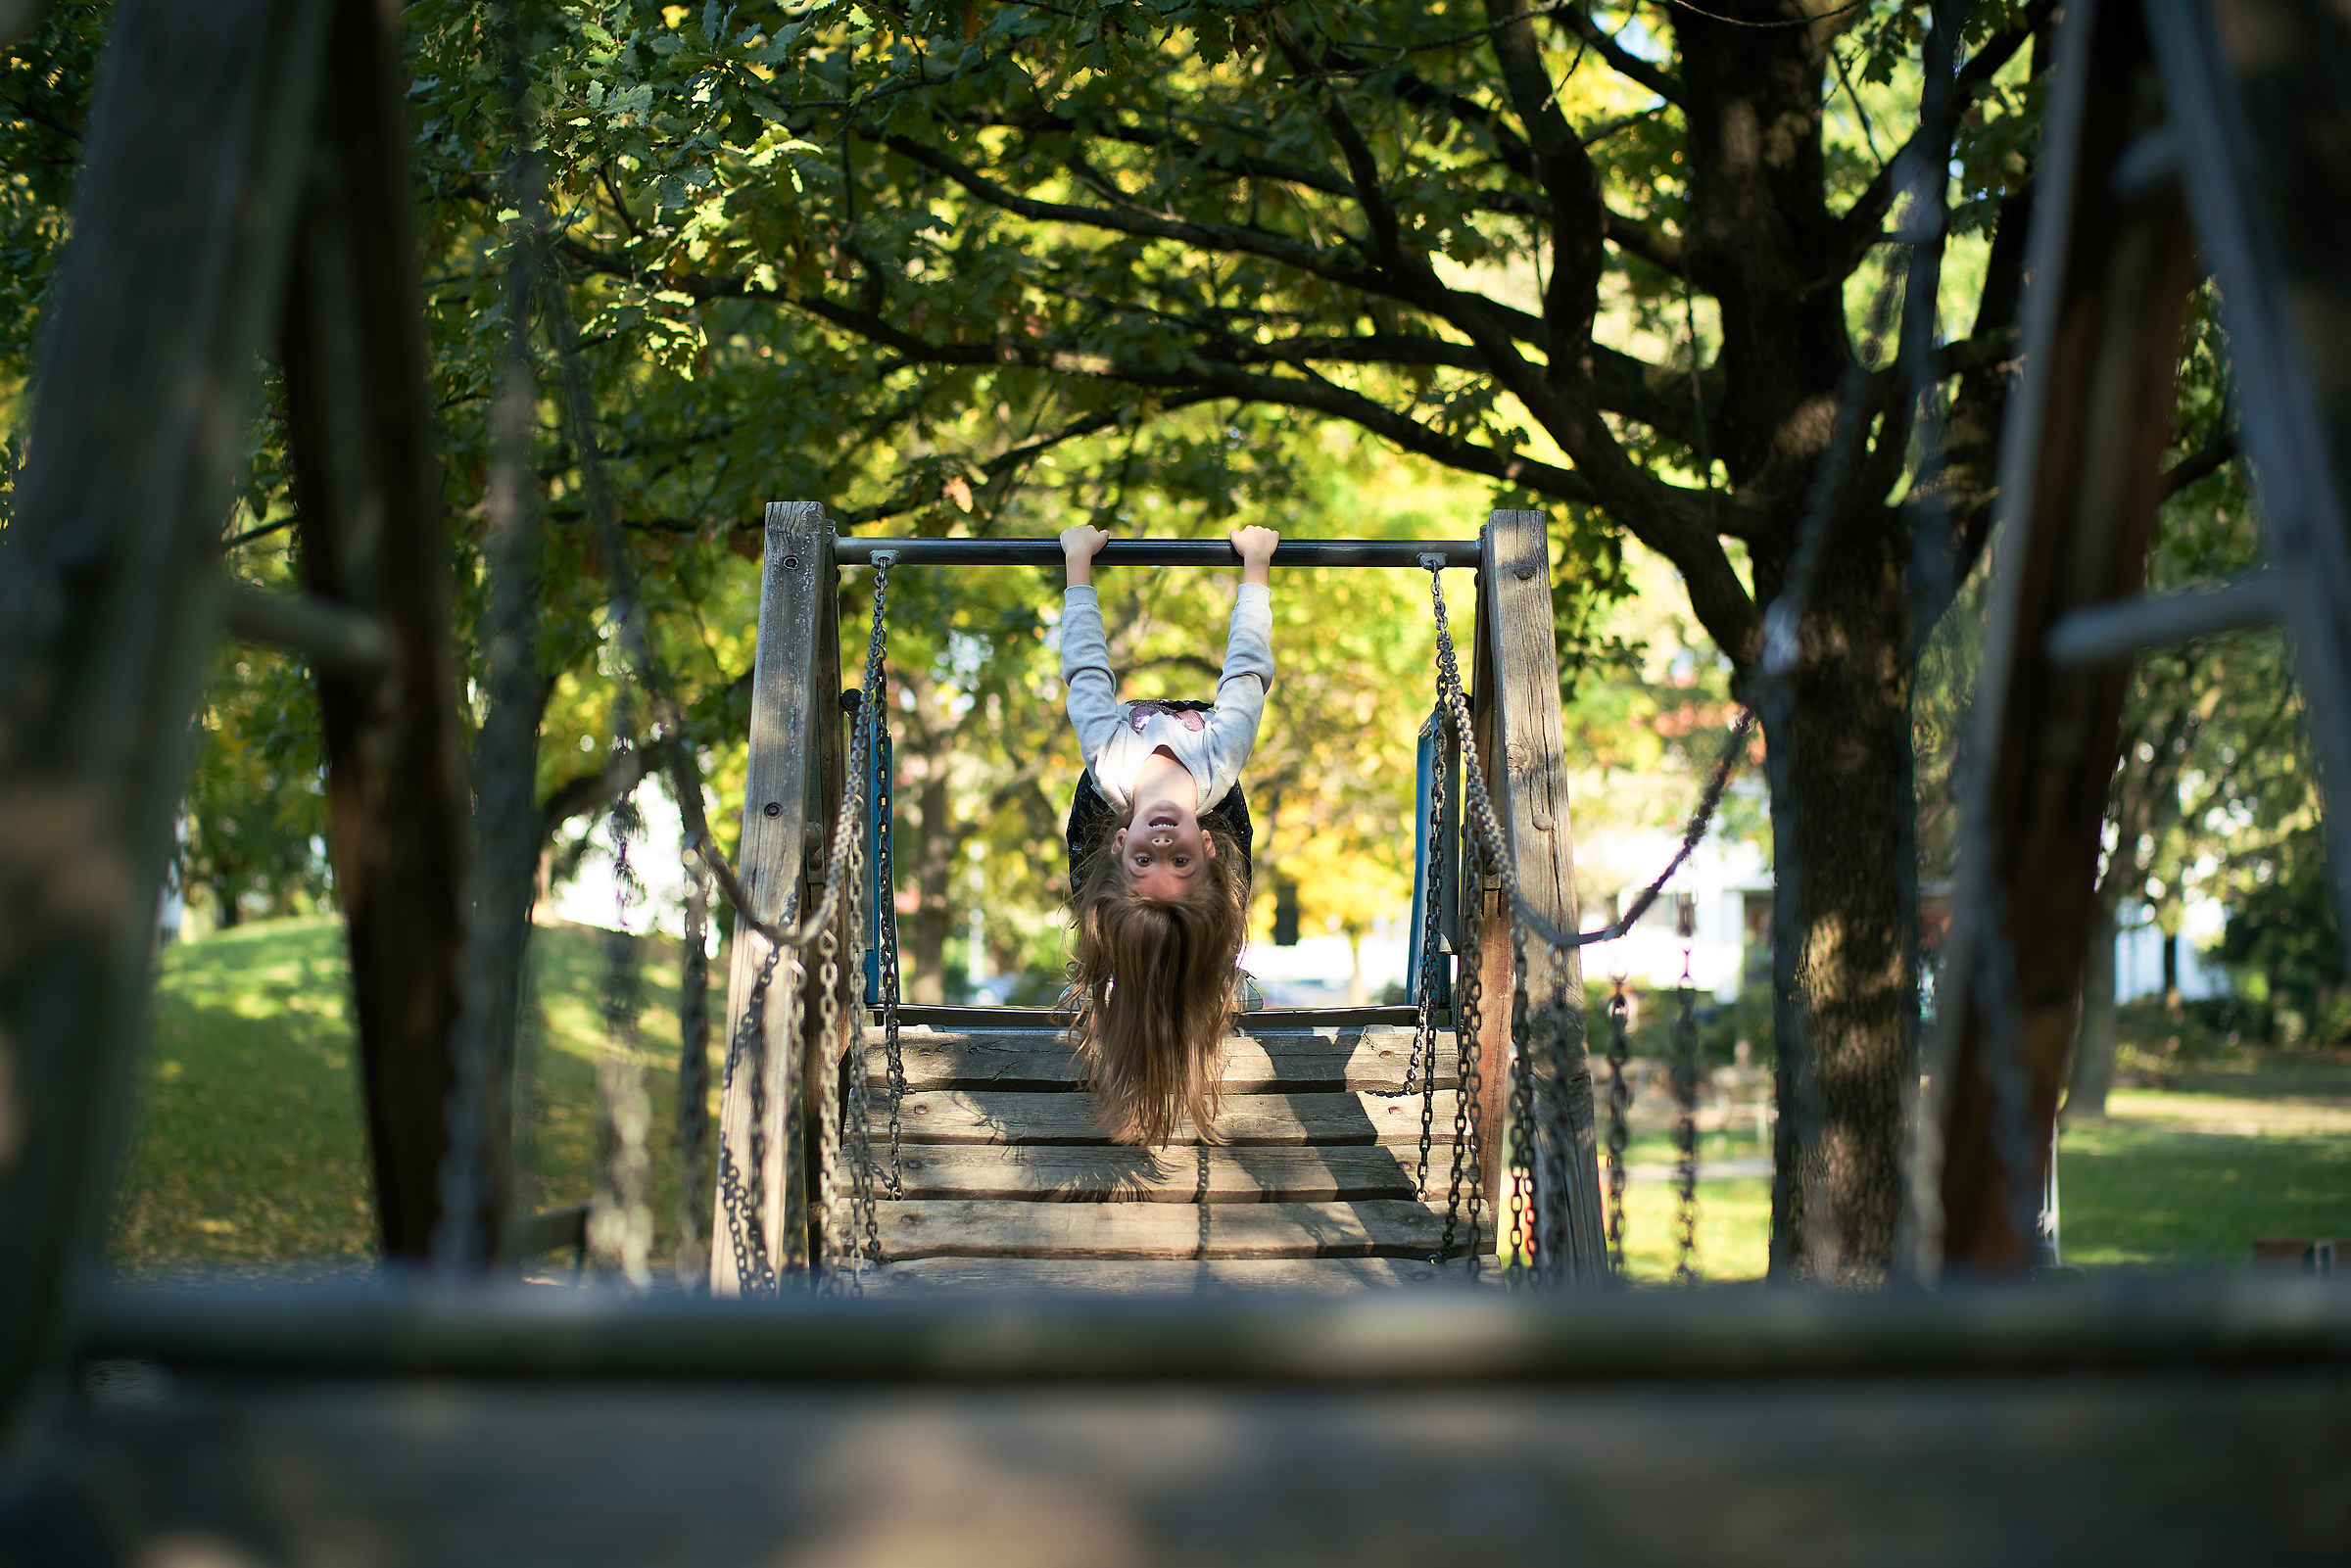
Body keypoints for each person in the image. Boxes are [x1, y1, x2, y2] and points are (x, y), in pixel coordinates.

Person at [1057, 522, 1278, 1146]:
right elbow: (1246, 671)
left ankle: (1119, 982)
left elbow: (1085, 671)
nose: (1160, 842)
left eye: (1143, 858)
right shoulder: (1221, 757)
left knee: (1120, 918)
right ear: (1204, 848)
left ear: (1120, 842)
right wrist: (1255, 568)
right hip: (1218, 797)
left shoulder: (1106, 758)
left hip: (1103, 801)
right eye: (1178, 860)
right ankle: (1207, 978)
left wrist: (1079, 568)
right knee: (1188, 916)